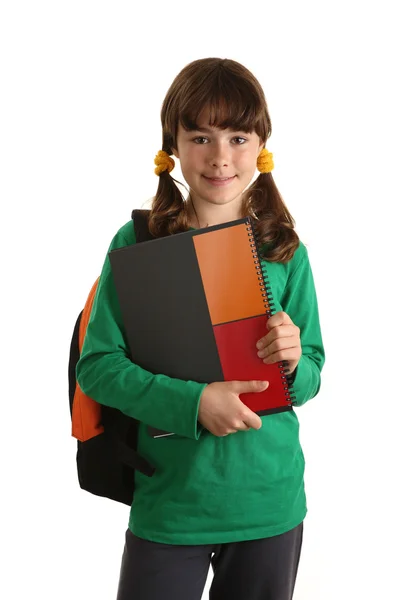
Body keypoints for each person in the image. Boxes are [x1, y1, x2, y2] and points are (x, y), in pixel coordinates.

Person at [76, 57, 325, 600]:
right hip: (171, 503)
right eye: (200, 137)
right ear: (173, 147)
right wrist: (194, 403)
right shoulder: (137, 241)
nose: (219, 158)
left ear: (261, 145)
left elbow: (309, 378)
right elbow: (97, 367)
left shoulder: (283, 247)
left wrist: (291, 360)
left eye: (237, 137)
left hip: (270, 501)